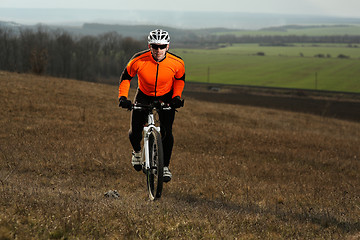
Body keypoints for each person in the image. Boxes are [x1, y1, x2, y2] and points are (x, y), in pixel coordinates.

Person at [118, 29, 185, 182]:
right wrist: (123, 97)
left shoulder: (177, 62)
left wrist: (176, 97)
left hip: (166, 95)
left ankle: (165, 167)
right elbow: (126, 77)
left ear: (168, 46)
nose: (158, 50)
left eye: (162, 46)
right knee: (135, 130)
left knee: (167, 132)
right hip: (144, 95)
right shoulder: (138, 60)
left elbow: (180, 79)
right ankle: (136, 152)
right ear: (149, 46)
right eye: (155, 46)